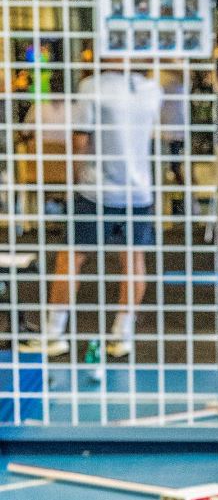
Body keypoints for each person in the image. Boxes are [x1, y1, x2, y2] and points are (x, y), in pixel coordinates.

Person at [21, 65, 163, 358]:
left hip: (95, 190)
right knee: (133, 260)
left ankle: (53, 334)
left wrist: (72, 181)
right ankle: (121, 336)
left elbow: (79, 141)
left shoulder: (93, 86)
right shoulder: (152, 90)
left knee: (71, 257)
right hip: (137, 190)